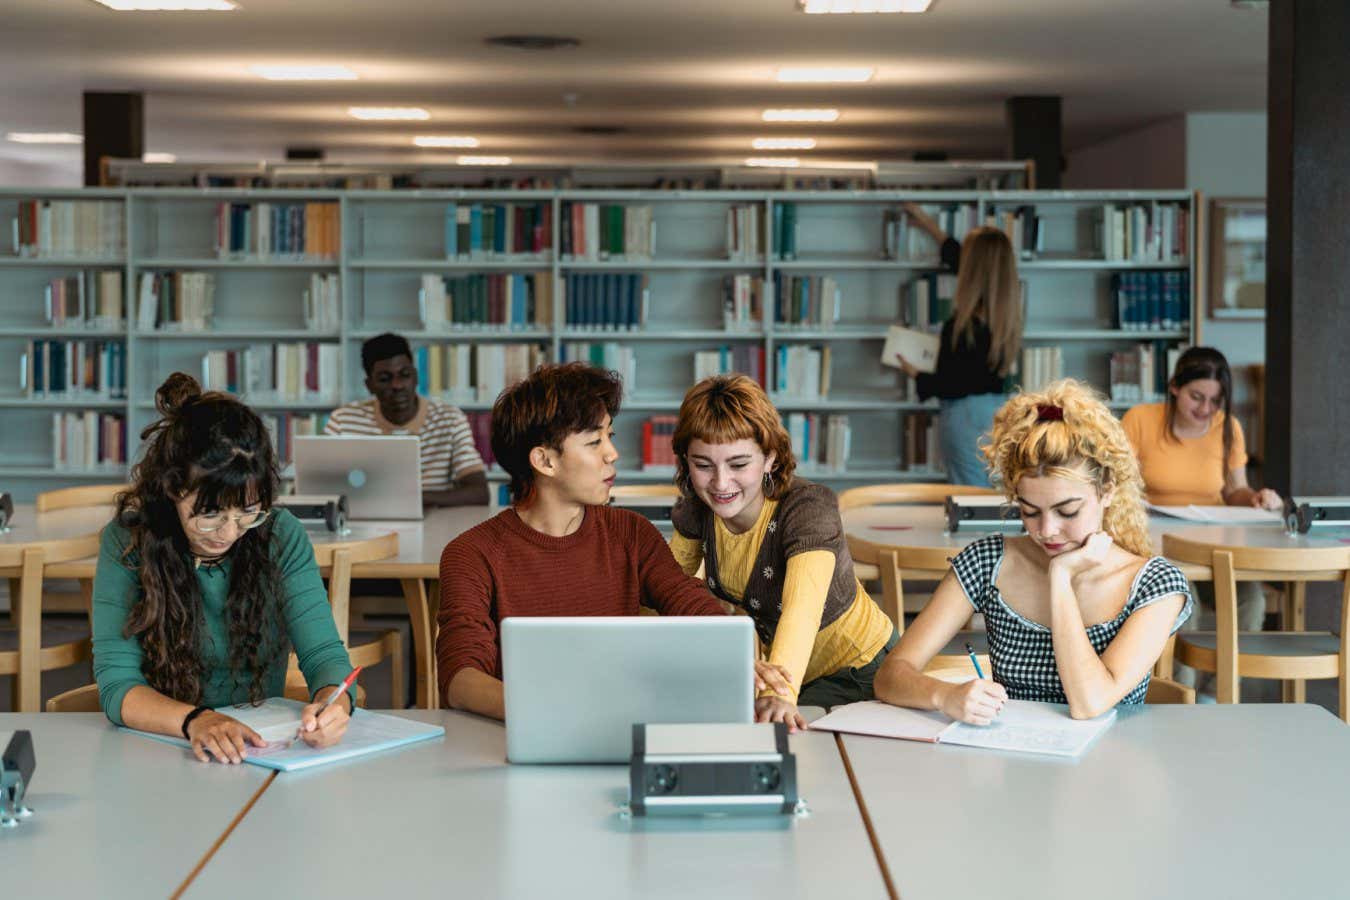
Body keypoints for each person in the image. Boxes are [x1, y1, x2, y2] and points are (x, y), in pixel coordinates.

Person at [436, 363, 789, 721]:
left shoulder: (630, 532)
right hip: (518, 736)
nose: (612, 454)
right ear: (544, 460)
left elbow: (686, 598)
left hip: (618, 728)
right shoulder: (471, 554)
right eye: (594, 441)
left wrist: (730, 649)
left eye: (610, 436)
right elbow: (461, 680)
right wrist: (555, 713)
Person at [874, 379, 1193, 722]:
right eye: (1029, 511)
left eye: (1067, 511)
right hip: (1013, 760)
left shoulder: (1155, 586)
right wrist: (945, 694)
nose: (1046, 531)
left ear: (1108, 492)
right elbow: (890, 676)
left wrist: (1061, 577)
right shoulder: (987, 563)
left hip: (1111, 767)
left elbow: (1089, 702)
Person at [92, 373, 357, 764]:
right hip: (161, 746)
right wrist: (196, 720)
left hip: (255, 751)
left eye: (247, 512)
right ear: (171, 488)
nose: (228, 533)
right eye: (209, 515)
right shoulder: (129, 541)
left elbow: (324, 656)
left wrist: (333, 703)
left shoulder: (277, 534)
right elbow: (118, 685)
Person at [669, 375, 898, 732]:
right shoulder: (695, 509)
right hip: (787, 674)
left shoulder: (808, 507)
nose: (720, 482)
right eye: (703, 465)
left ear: (770, 458)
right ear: (686, 461)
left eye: (738, 464)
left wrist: (781, 694)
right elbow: (665, 593)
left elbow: (801, 610)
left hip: (861, 672)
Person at [1121, 346, 1279, 653]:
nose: (1206, 409)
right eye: (1197, 397)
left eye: (1215, 400)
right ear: (1174, 387)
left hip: (1210, 544)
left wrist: (1255, 498)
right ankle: (1184, 694)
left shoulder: (1228, 427)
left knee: (1251, 600)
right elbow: (1117, 485)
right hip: (1154, 545)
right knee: (1182, 597)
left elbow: (1235, 491)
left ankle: (1214, 691)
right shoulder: (1140, 419)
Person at [892, 207, 1023, 487]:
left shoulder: (963, 328)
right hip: (997, 411)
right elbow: (958, 259)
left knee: (970, 498)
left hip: (964, 417)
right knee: (995, 495)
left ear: (972, 268)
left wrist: (915, 373)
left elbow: (951, 384)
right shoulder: (1003, 314)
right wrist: (931, 228)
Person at [325, 332, 489, 508]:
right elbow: (306, 489)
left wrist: (406, 500)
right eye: (384, 379)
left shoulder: (450, 420)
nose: (398, 385)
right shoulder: (343, 421)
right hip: (360, 526)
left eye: (405, 374)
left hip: (433, 525)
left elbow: (479, 493)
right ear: (369, 385)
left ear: (416, 377)